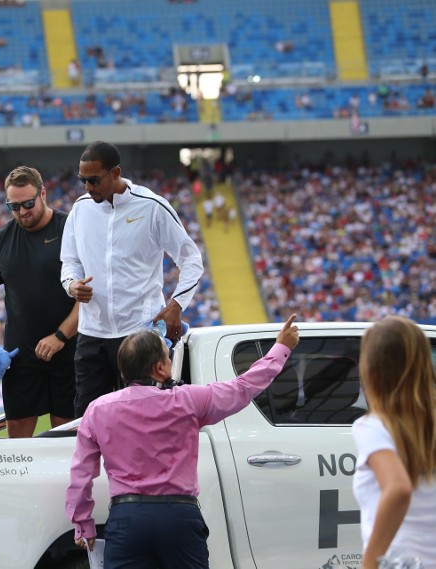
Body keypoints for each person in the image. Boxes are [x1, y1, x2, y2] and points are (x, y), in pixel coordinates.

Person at [66, 314, 300, 568]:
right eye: (168, 358)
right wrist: (281, 348)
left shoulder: (98, 409)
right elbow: (243, 387)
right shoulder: (188, 399)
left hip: (127, 519)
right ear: (159, 368)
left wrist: (83, 524)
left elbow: (81, 473)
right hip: (179, 517)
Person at [61, 141, 204, 416]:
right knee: (87, 419)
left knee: (147, 416)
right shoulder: (80, 209)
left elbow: (191, 258)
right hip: (92, 333)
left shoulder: (152, 207)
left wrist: (177, 304)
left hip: (140, 331)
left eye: (94, 180)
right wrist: (71, 285)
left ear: (116, 173)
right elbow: (70, 261)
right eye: (83, 180)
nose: (88, 187)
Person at [0, 166, 78, 438]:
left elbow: (90, 294)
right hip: (21, 355)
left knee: (68, 434)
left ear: (43, 194)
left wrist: (60, 336)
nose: (22, 212)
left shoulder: (71, 230)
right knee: (17, 437)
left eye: (28, 204)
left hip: (70, 350)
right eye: (14, 206)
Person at [352, 316, 436, 569]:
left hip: (402, 562)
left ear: (372, 371)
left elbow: (398, 489)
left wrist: (370, 563)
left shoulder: (373, 426)